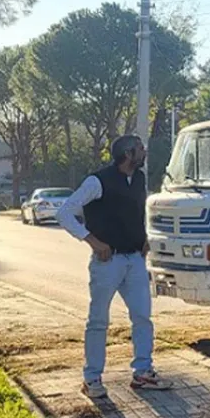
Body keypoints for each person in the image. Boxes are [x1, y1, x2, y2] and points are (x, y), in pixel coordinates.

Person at [57, 134, 171, 398]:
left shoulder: (139, 179)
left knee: (142, 317)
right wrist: (93, 242)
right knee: (98, 321)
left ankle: (143, 372)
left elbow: (138, 212)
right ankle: (92, 379)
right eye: (141, 148)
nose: (145, 152)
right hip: (107, 263)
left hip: (134, 260)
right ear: (128, 154)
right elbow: (64, 212)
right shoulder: (97, 181)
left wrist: (145, 240)